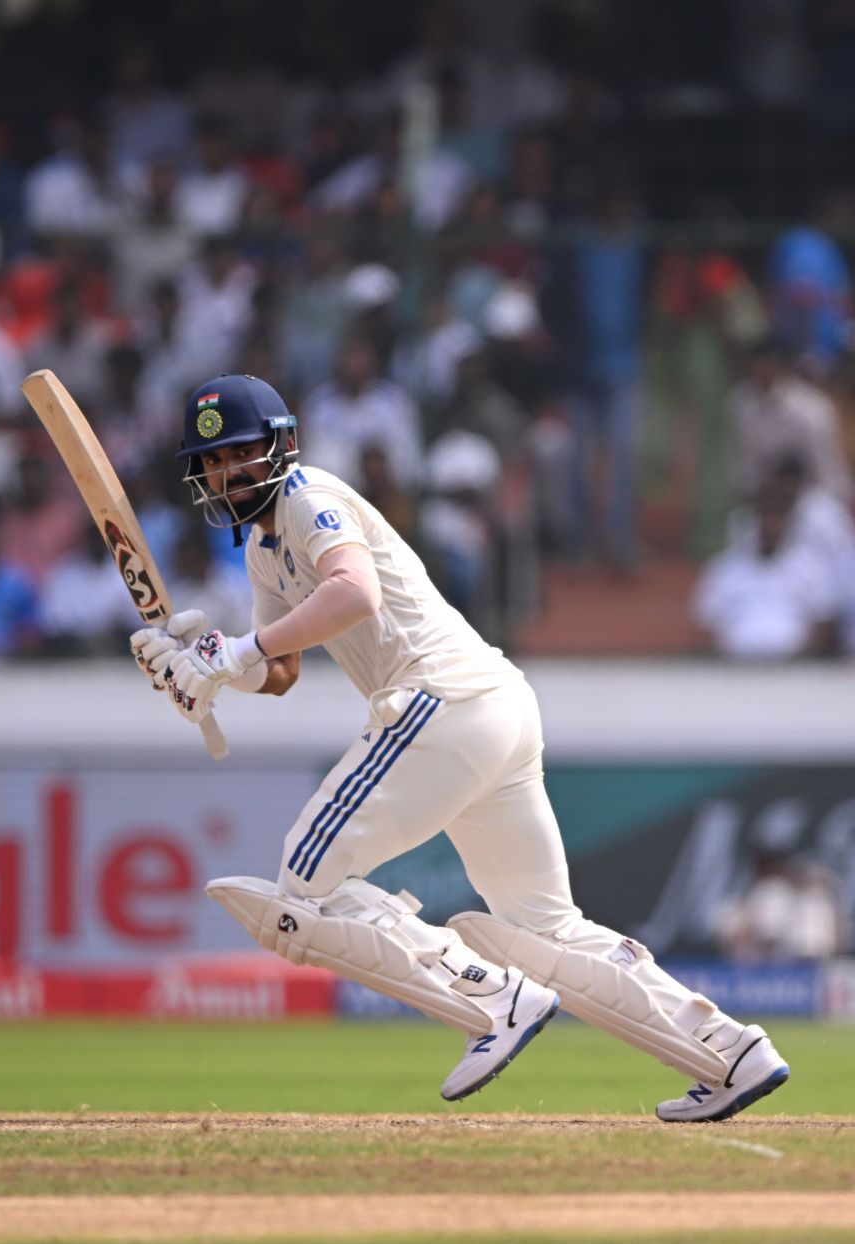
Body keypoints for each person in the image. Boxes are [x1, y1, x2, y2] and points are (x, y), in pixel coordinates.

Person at [129, 374, 789, 1121]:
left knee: (304, 876)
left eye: (240, 453)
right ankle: (730, 1052)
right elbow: (278, 671)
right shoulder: (262, 550)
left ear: (280, 444)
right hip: (492, 707)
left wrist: (233, 651)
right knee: (547, 930)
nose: (227, 474)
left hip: (439, 702)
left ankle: (492, 997)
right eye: (212, 463)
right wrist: (202, 669)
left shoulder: (311, 500)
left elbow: (353, 594)